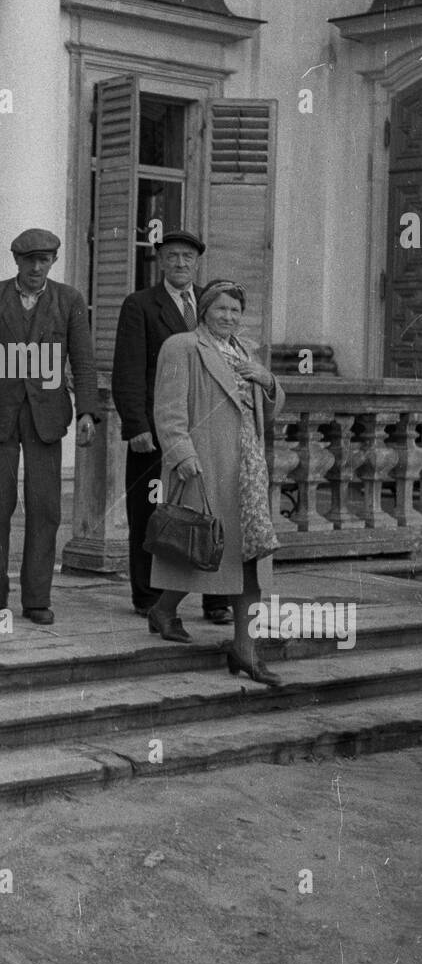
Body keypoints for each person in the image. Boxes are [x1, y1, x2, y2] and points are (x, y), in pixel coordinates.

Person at [0, 228, 100, 625]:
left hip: (46, 417)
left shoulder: (69, 300)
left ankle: (37, 598)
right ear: (16, 261)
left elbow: (83, 361)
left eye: (45, 260)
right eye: (30, 260)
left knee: (46, 508)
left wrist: (88, 410)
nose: (37, 267)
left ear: (53, 261)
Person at [149, 279, 286, 686]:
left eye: (235, 311)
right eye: (221, 309)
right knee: (203, 549)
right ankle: (231, 643)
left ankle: (241, 647)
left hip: (247, 465)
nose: (228, 317)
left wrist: (268, 381)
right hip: (206, 462)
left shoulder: (246, 351)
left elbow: (269, 411)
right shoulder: (182, 346)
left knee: (246, 556)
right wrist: (182, 454)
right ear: (205, 309)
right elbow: (168, 408)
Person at [111, 230, 231, 634]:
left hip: (207, 433)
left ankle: (217, 598)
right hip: (157, 431)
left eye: (188, 257)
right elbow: (128, 371)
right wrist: (136, 426)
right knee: (152, 514)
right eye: (173, 256)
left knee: (213, 511)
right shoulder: (140, 305)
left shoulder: (213, 305)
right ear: (160, 261)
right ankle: (148, 597)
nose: (181, 264)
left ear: (197, 263)